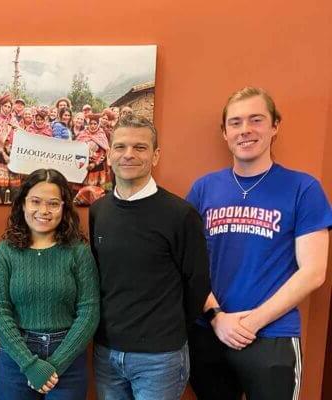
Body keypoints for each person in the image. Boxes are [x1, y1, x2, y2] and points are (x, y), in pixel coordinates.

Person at [186, 87, 332, 400]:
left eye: (256, 120)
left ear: (275, 126)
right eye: (236, 122)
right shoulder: (203, 189)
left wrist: (251, 322)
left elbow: (314, 272)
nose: (245, 130)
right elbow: (188, 265)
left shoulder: (303, 188)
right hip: (209, 332)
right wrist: (217, 318)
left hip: (272, 337)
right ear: (224, 132)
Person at [90, 114, 211, 400]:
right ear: (108, 155)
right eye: (120, 147)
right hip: (107, 353)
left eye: (140, 147)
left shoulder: (180, 215)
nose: (128, 154)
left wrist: (164, 330)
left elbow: (198, 284)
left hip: (160, 358)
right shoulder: (99, 211)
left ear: (155, 156)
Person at [0, 169, 100, 400]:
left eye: (53, 203)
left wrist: (56, 365)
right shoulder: (4, 253)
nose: (44, 211)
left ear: (64, 207)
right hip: (16, 360)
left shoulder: (78, 252)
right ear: (22, 204)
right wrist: (29, 364)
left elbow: (89, 311)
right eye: (35, 202)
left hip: (68, 359)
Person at [75, 114, 109, 188]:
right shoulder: (82, 133)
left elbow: (104, 152)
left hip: (96, 167)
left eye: (95, 124)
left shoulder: (101, 134)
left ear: (98, 124)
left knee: (94, 191)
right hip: (82, 165)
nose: (93, 126)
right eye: (91, 124)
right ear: (88, 124)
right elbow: (76, 148)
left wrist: (94, 163)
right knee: (81, 190)